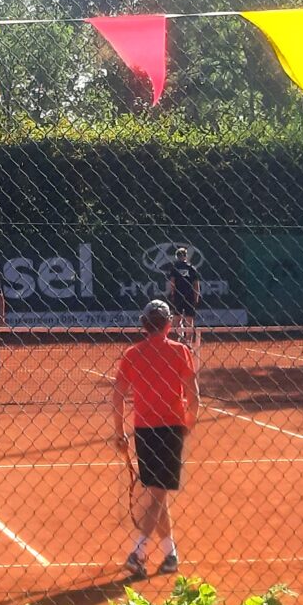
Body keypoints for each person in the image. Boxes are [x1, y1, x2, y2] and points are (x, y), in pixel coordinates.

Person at [112, 299, 199, 578]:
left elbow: (117, 395)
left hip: (144, 430)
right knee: (158, 495)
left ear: (143, 325)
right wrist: (189, 422)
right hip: (172, 428)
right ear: (169, 324)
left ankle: (170, 554)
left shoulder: (132, 354)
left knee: (157, 494)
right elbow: (194, 394)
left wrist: (119, 431)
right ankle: (139, 552)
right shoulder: (181, 351)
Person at [164, 246, 203, 345]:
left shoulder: (174, 268)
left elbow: (172, 282)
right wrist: (196, 296)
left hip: (178, 296)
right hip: (189, 296)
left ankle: (180, 338)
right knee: (189, 320)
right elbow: (196, 284)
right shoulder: (191, 268)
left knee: (177, 318)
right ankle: (188, 342)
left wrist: (172, 294)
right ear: (186, 256)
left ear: (177, 257)